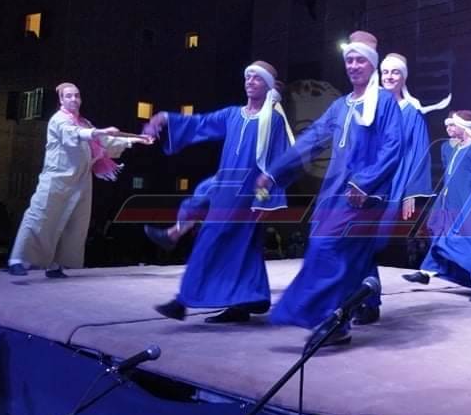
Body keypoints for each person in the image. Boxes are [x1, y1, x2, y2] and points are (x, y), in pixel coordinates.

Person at [256, 31, 402, 346]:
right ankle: (343, 319)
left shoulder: (385, 102)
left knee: (328, 248)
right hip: (335, 192)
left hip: (363, 195)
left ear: (372, 65)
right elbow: (311, 140)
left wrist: (365, 183)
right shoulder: (340, 106)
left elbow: (393, 147)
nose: (353, 66)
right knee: (340, 254)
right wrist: (275, 172)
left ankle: (328, 319)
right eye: (349, 60)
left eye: (360, 60)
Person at [145, 61, 293, 323]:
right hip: (227, 188)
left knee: (210, 240)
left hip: (248, 195)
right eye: (247, 77)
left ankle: (182, 301)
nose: (250, 81)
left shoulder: (274, 120)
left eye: (256, 78)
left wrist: (266, 198)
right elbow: (201, 123)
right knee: (243, 246)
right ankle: (249, 299)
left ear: (268, 85)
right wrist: (165, 117)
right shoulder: (232, 115)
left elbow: (281, 160)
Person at [8, 83, 152, 278]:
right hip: (57, 177)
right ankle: (18, 260)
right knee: (40, 215)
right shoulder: (58, 120)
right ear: (61, 100)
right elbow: (74, 134)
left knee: (74, 222)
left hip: (81, 179)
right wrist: (99, 132)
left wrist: (135, 140)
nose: (74, 99)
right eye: (69, 96)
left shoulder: (85, 122)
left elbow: (105, 142)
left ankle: (56, 265)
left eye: (77, 95)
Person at [354, 52, 449, 324]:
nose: (389, 77)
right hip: (364, 185)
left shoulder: (411, 112)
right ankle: (362, 301)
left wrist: (411, 191)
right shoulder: (369, 107)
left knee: (367, 243)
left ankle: (367, 302)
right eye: (385, 72)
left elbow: (418, 153)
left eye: (395, 72)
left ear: (404, 77)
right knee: (356, 241)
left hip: (392, 186)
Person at [403, 110, 471, 302]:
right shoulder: (447, 148)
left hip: (470, 204)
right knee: (441, 234)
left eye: (452, 125)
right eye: (447, 125)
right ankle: (427, 272)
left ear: (464, 127)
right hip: (448, 201)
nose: (448, 128)